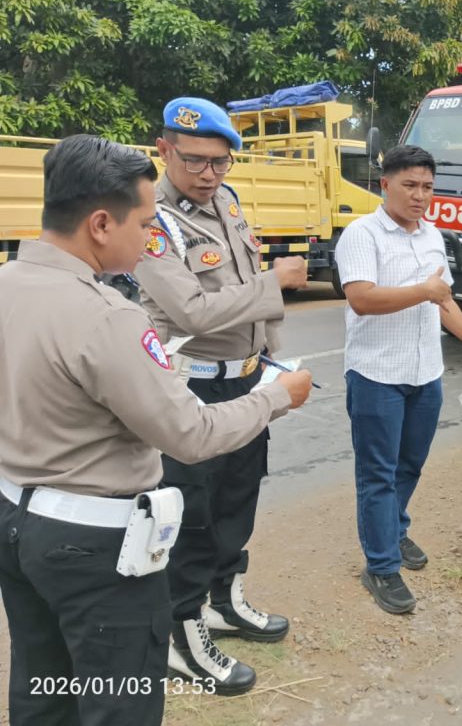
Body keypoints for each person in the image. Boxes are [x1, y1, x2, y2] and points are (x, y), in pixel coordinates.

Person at [0, 134, 312, 726]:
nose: (150, 238)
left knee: (44, 686)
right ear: (100, 224)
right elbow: (191, 435)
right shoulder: (107, 317)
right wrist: (276, 397)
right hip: (94, 548)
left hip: (16, 519)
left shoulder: (9, 283)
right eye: (144, 224)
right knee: (120, 702)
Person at [133, 97, 310, 694]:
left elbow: (240, 288)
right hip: (192, 386)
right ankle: (182, 634)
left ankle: (225, 602)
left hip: (246, 376)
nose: (209, 174)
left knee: (239, 496)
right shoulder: (154, 221)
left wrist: (270, 355)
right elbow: (191, 310)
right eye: (195, 161)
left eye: (220, 162)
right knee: (191, 514)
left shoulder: (227, 201)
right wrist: (274, 283)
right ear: (164, 150)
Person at [336, 145, 462, 614]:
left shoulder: (432, 237)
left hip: (425, 374)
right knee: (378, 474)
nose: (420, 195)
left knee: (409, 466)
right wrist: (425, 290)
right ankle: (381, 566)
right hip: (376, 375)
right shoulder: (361, 235)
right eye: (410, 185)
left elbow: (442, 301)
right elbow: (362, 299)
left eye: (428, 187)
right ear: (385, 184)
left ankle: (394, 530)